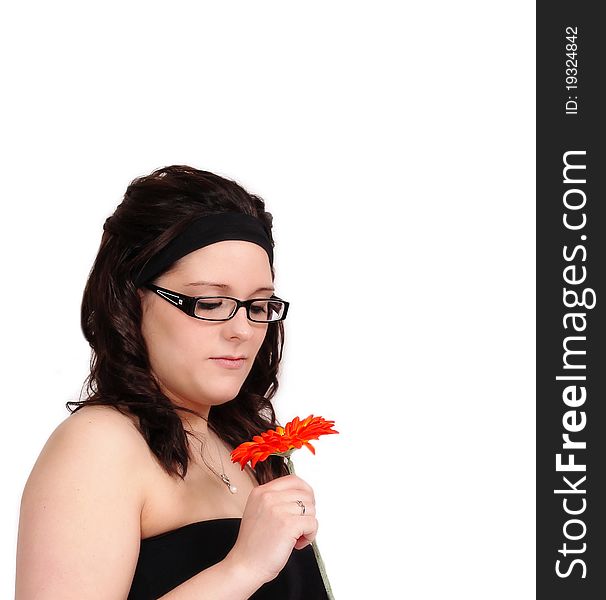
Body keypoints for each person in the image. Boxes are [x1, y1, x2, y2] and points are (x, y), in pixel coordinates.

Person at [15, 165, 329, 599]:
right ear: (131, 300)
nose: (242, 329)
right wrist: (242, 569)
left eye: (259, 304)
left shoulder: (243, 443)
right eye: (210, 301)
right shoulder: (100, 444)